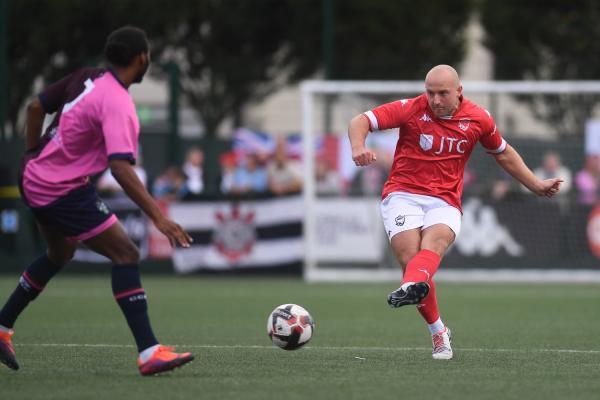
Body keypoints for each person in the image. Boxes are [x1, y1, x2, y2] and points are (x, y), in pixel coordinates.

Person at [0, 26, 194, 376]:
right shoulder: (118, 102)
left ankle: (1, 326)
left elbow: (33, 108)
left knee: (60, 253)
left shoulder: (87, 77)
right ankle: (149, 352)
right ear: (141, 59)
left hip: (33, 176)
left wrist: (31, 152)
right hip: (60, 189)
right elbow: (120, 168)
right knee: (126, 253)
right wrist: (159, 217)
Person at [348, 64, 562, 360]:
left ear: (459, 92)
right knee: (411, 259)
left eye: (442, 93)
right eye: (430, 93)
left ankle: (412, 287)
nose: (435, 100)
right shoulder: (411, 108)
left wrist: (535, 184)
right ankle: (439, 330)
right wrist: (358, 146)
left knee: (432, 246)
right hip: (403, 194)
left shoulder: (478, 118)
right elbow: (360, 120)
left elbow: (503, 153)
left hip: (444, 200)